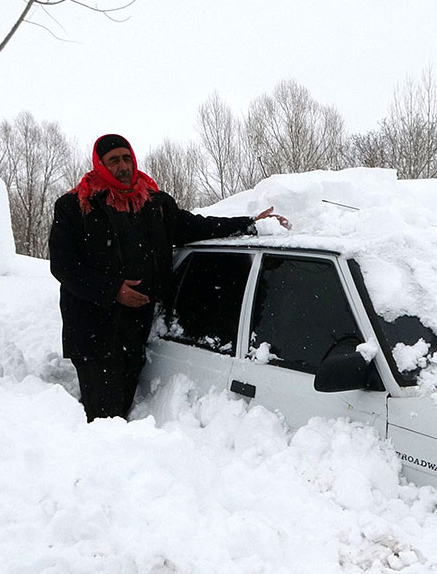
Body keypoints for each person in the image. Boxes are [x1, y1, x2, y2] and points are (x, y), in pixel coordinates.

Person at [49, 133, 289, 422]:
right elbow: (63, 265)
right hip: (94, 325)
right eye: (114, 161)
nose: (123, 166)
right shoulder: (76, 206)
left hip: (137, 322)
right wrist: (113, 289)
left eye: (127, 158)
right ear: (100, 165)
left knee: (121, 402)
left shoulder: (154, 203)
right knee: (104, 413)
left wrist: (249, 225)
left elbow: (194, 227)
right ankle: (99, 457)